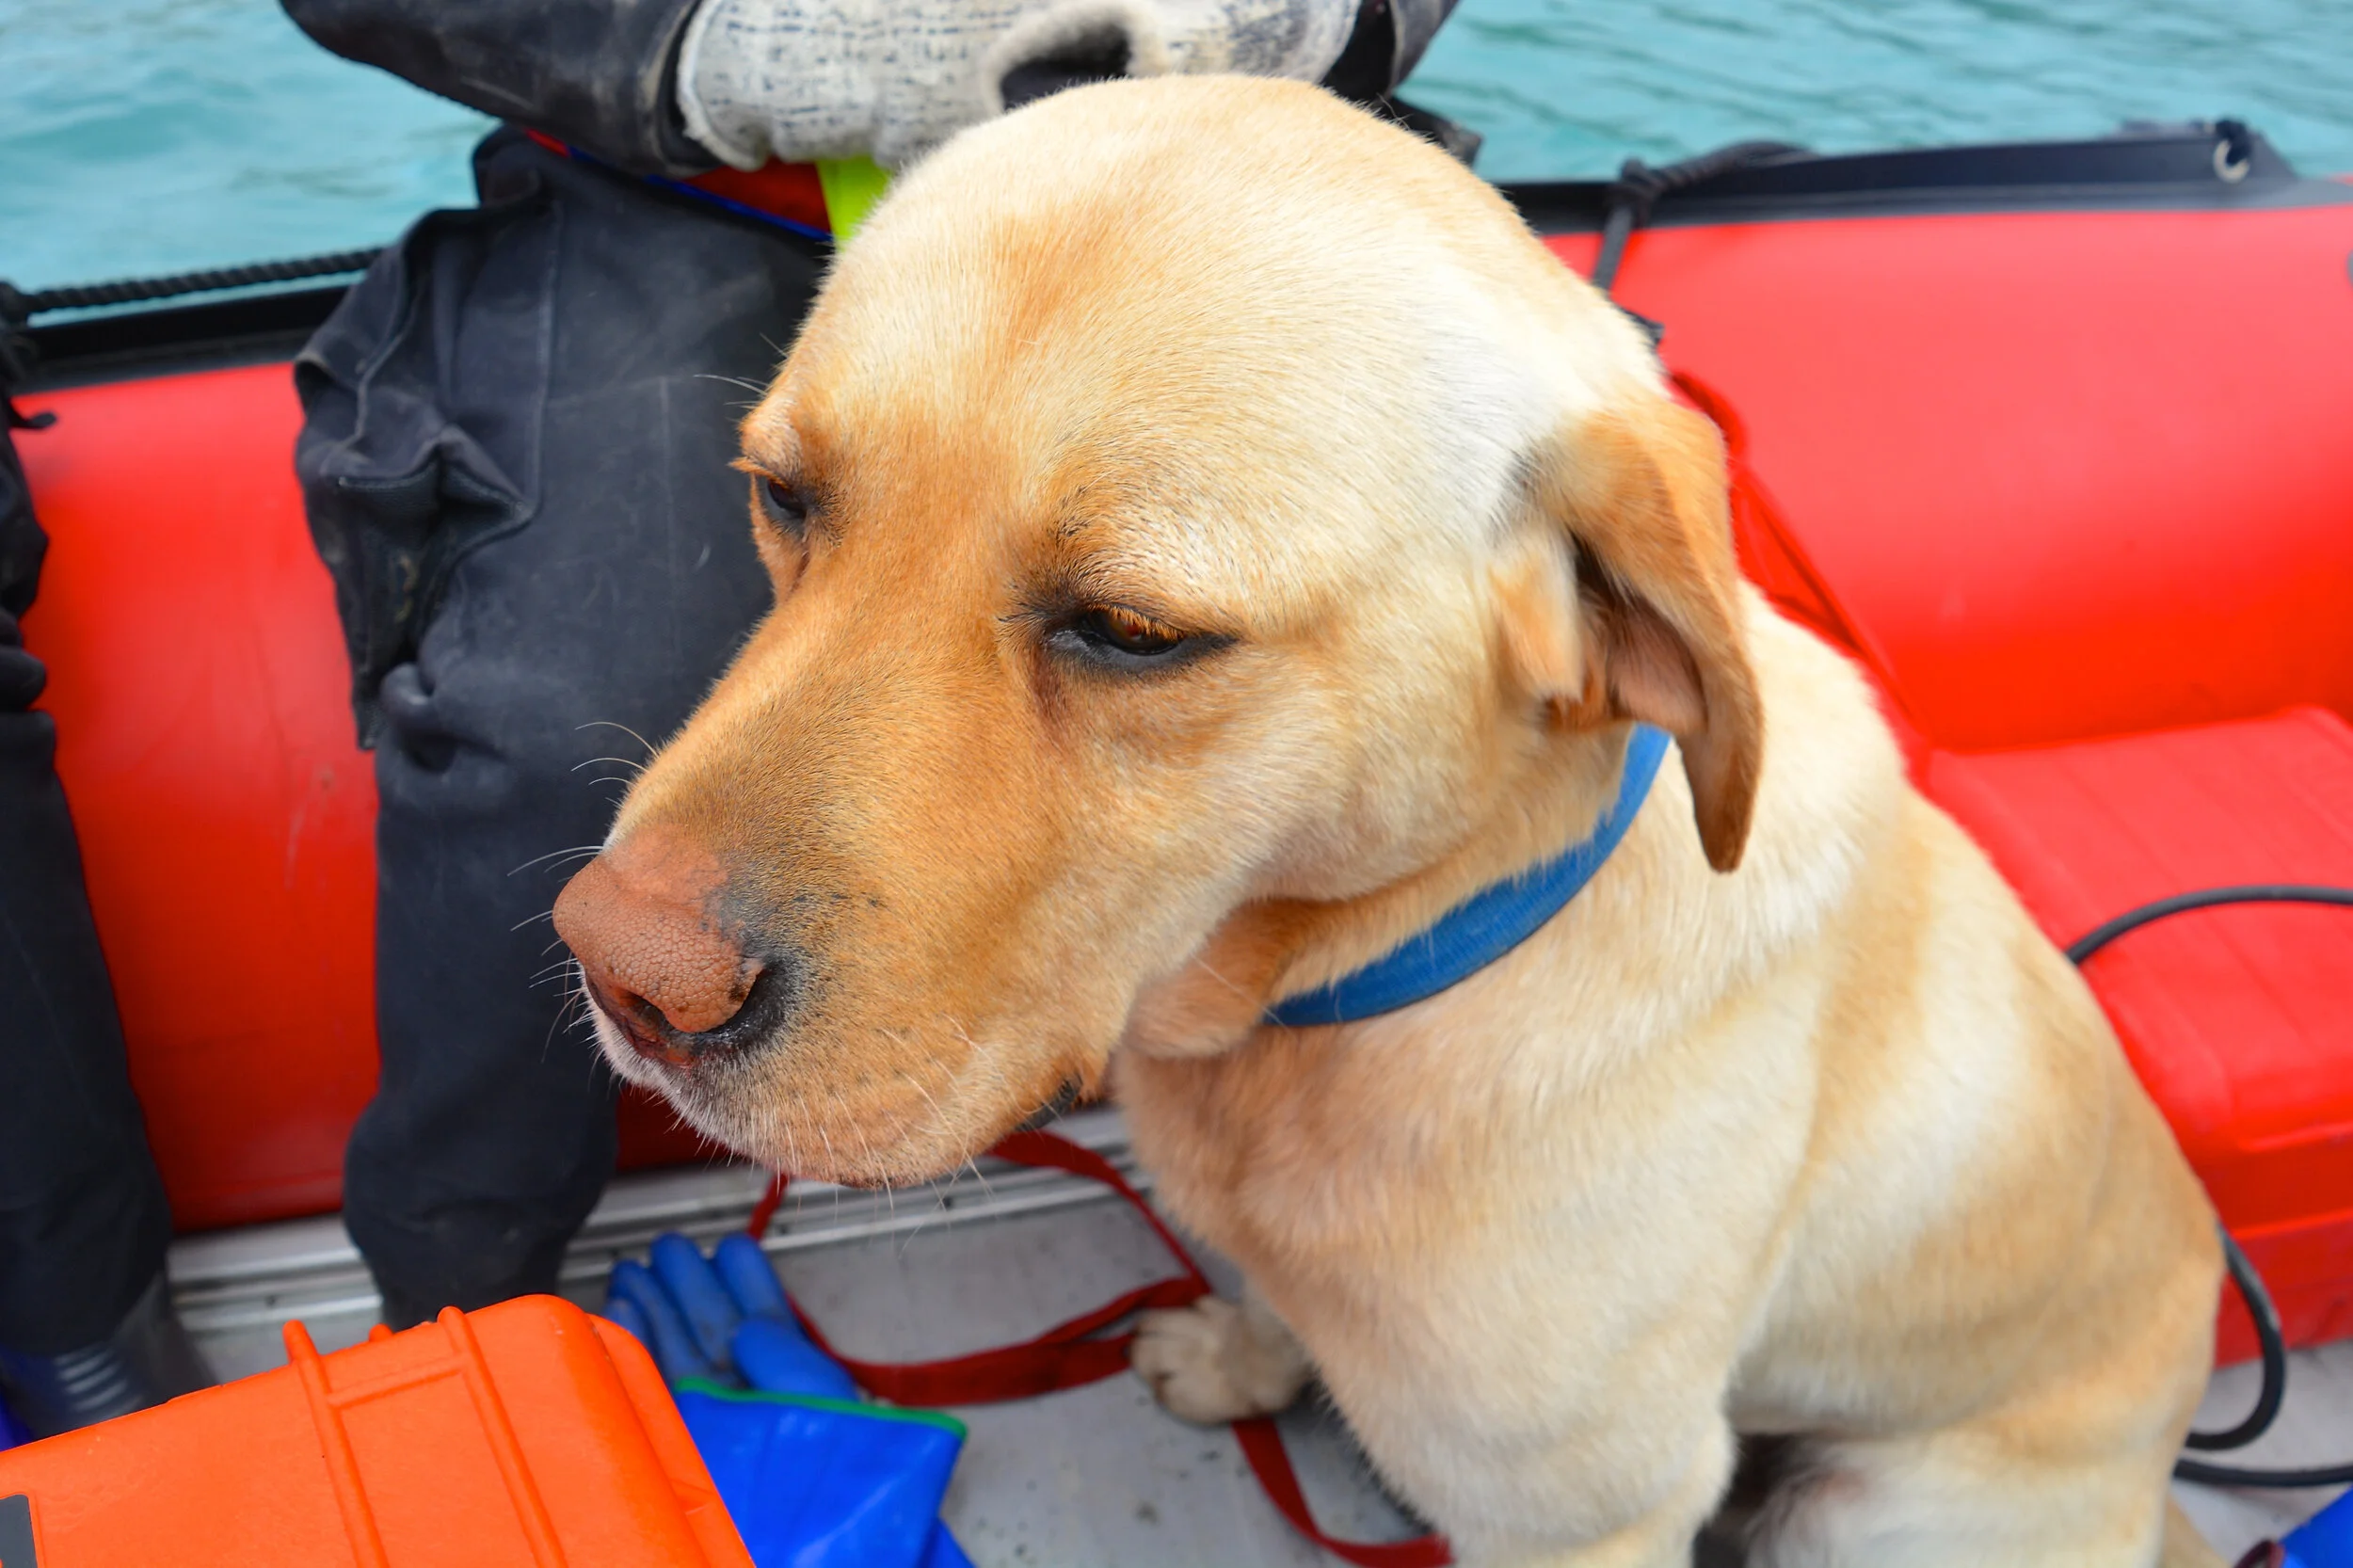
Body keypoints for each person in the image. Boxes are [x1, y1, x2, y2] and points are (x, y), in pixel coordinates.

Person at [0, 3, 1462, 1423]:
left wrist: (1340, 14)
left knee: (1444, 704)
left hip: (1243, 190)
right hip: (693, 186)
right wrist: (706, 50)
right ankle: (456, 1296)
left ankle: (1418, 1308)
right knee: (556, 721)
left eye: (1129, 626)